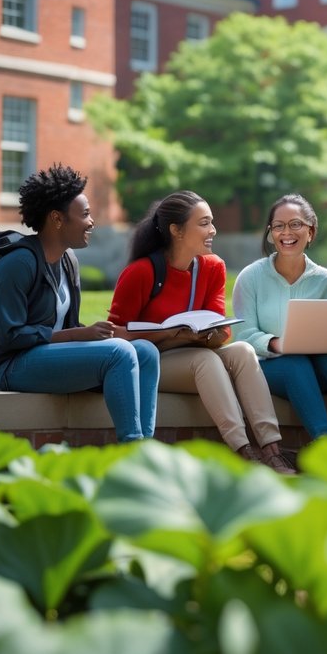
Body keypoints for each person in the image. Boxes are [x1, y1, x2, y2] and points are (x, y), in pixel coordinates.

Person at [109, 191, 294, 473]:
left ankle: (272, 449)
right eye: (204, 223)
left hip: (196, 351)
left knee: (243, 351)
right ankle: (244, 451)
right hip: (156, 361)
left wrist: (210, 335)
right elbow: (114, 334)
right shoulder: (141, 272)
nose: (213, 230)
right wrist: (173, 334)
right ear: (176, 231)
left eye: (212, 222)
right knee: (204, 361)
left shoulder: (212, 268)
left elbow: (222, 333)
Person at [0, 164, 159, 443]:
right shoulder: (18, 264)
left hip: (47, 357)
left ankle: (147, 448)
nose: (91, 222)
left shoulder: (68, 261)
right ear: (57, 219)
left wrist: (94, 334)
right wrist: (78, 335)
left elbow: (68, 325)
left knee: (145, 352)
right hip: (10, 365)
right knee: (119, 354)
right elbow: (11, 336)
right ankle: (133, 450)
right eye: (85, 214)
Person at [232, 194, 327, 442]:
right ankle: (325, 445)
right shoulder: (251, 277)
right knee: (294, 362)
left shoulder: (324, 278)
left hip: (315, 365)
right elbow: (243, 334)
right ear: (271, 233)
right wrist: (278, 343)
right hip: (266, 368)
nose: (286, 232)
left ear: (311, 232)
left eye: (295, 224)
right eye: (278, 226)